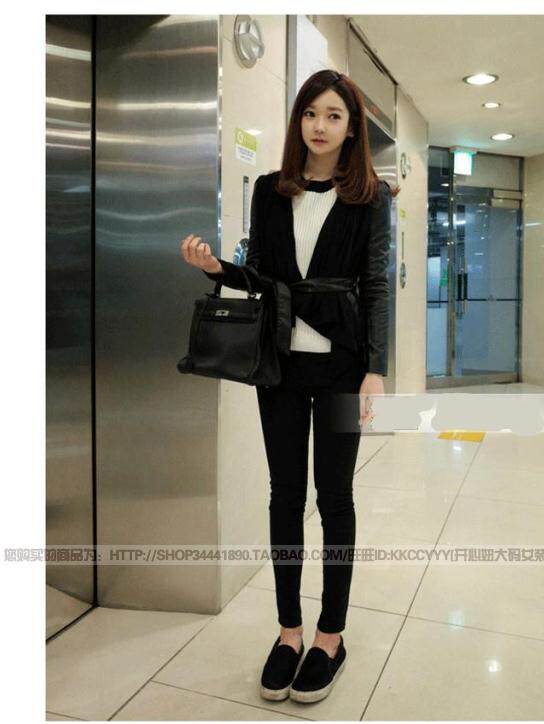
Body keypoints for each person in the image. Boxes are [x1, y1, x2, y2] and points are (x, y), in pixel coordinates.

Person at [180, 69, 397, 704]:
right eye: (310, 113)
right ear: (298, 120)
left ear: (351, 129)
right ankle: (288, 632)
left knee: (335, 498)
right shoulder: (270, 191)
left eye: (333, 116)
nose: (319, 126)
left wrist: (376, 368)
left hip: (342, 368)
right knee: (284, 497)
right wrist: (218, 268)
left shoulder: (370, 198)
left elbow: (376, 285)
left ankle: (331, 635)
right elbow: (263, 276)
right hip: (278, 367)